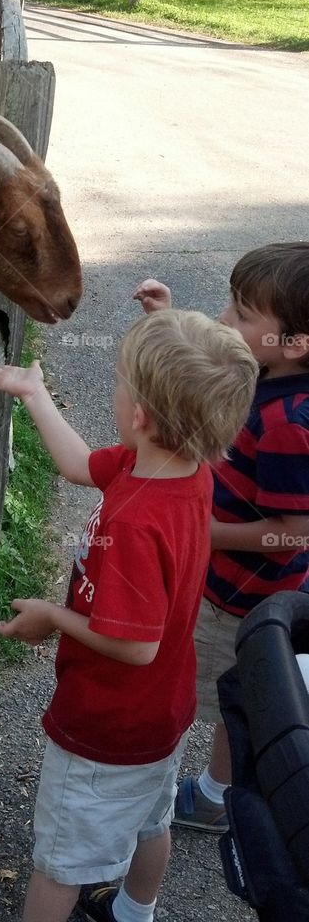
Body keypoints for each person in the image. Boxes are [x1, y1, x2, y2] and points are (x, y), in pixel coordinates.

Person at [0, 309, 258, 922]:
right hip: (163, 714)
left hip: (108, 725)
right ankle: (136, 911)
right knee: (151, 822)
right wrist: (35, 394)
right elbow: (78, 466)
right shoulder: (176, 469)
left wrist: (52, 615)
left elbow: (135, 646)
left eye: (118, 381)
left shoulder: (135, 520)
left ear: (141, 417)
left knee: (60, 863)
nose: (114, 389)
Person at [134, 242, 309, 834]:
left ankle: (213, 798)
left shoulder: (289, 425)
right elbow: (209, 376)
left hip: (239, 602)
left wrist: (209, 534)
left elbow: (295, 536)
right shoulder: (264, 372)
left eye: (240, 314)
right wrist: (166, 324)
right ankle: (213, 787)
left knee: (224, 699)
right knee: (224, 693)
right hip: (223, 584)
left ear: (296, 343)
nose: (223, 322)